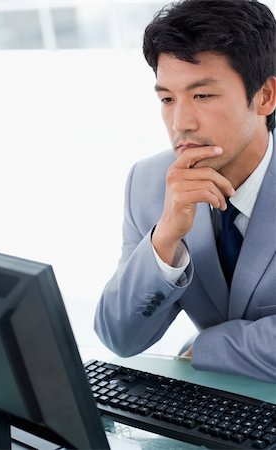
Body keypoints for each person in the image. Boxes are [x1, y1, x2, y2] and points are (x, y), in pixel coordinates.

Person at [94, 0, 276, 382]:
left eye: (203, 96)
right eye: (167, 99)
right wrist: (166, 239)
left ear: (265, 96)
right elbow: (119, 337)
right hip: (215, 414)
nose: (181, 123)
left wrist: (206, 347)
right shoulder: (148, 182)